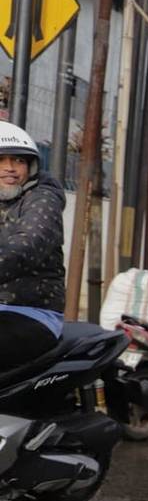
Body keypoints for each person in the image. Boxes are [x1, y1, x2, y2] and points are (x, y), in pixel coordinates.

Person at [0, 122, 67, 369]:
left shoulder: (42, 199)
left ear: (31, 166)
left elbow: (27, 245)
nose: (9, 168)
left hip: (31, 312)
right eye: (2, 160)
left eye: (18, 160)